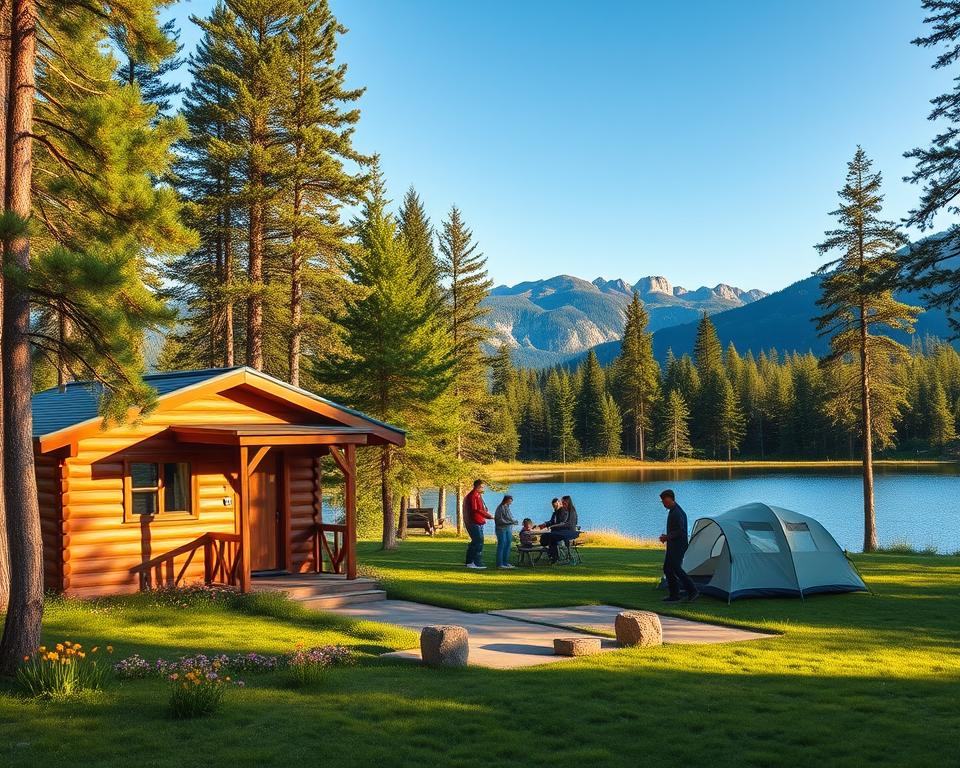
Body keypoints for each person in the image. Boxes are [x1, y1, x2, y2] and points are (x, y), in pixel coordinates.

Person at [658, 489, 700, 602]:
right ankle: (674, 594)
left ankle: (693, 591)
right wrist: (667, 537)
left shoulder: (677, 513)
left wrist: (667, 537)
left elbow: (680, 531)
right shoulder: (672, 510)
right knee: (667, 569)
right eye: (662, 502)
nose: (664, 504)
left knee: (676, 568)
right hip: (673, 545)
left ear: (672, 499)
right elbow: (676, 531)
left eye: (665, 501)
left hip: (679, 546)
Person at [464, 479, 492, 569]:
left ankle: (471, 562)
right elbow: (476, 509)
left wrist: (485, 513)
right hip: (474, 522)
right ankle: (474, 562)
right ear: (478, 487)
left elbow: (480, 508)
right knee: (478, 541)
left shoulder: (478, 495)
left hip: (478, 521)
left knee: (475, 542)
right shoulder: (472, 496)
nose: (483, 488)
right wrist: (488, 516)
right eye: (482, 487)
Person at [539, 496, 575, 564]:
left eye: (555, 505)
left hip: (561, 533)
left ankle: (554, 557)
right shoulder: (555, 513)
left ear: (559, 503)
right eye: (553, 506)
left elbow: (562, 524)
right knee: (545, 538)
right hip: (555, 532)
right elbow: (551, 522)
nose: (554, 507)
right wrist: (544, 524)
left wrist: (551, 527)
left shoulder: (563, 511)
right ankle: (553, 556)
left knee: (550, 539)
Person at [494, 494, 518, 569]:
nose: (511, 503)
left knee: (508, 544)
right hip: (501, 528)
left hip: (508, 528)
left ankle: (505, 562)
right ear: (506, 500)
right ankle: (500, 564)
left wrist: (513, 521)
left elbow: (509, 517)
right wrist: (510, 522)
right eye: (510, 501)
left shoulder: (507, 507)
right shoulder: (500, 508)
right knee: (502, 545)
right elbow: (499, 520)